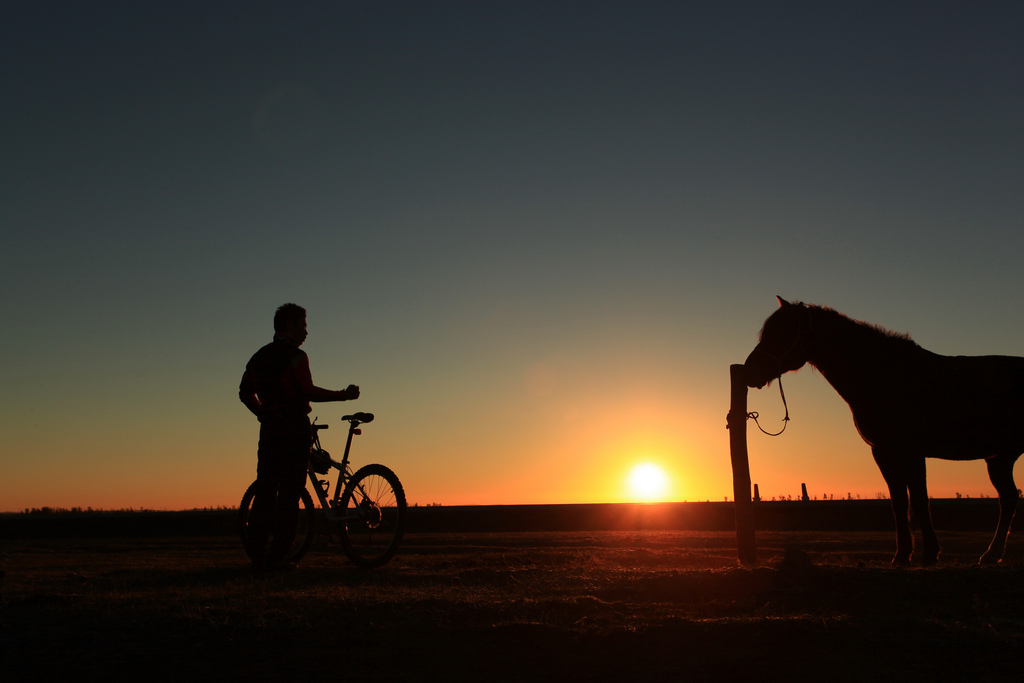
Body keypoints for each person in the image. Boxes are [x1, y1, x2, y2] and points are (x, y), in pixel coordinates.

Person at [239, 303, 358, 570]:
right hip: (293, 426)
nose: (306, 331)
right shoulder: (297, 356)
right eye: (303, 325)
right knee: (290, 494)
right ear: (289, 326)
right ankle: (280, 557)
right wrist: (344, 395)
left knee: (266, 490)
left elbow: (244, 393)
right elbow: (308, 391)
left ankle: (258, 556)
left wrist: (262, 414)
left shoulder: (258, 358)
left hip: (269, 429)